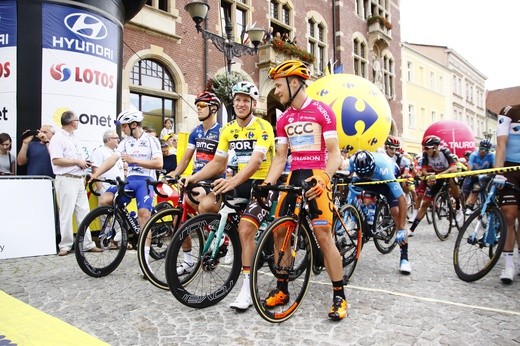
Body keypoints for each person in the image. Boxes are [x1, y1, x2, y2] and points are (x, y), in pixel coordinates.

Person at [180, 81, 275, 311]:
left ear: (253, 103)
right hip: (238, 182)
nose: (241, 104)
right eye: (238, 100)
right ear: (233, 103)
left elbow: (255, 162)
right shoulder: (228, 129)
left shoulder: (263, 127)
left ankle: (247, 289)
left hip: (261, 183)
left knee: (245, 228)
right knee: (207, 204)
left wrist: (232, 180)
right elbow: (218, 162)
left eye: (246, 100)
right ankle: (227, 240)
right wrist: (192, 177)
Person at [264, 59, 346, 321]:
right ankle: (283, 289)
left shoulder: (322, 111)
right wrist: (267, 184)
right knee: (280, 233)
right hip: (294, 174)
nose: (276, 91)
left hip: (316, 175)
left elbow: (335, 155)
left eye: (279, 85)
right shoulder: (284, 118)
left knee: (323, 236)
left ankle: (339, 297)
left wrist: (323, 179)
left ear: (295, 82)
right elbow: (280, 157)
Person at [90, 110, 163, 259]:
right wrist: (95, 175)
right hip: (130, 180)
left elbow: (159, 163)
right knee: (105, 200)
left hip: (146, 180)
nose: (122, 130)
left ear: (133, 124)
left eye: (124, 126)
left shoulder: (151, 140)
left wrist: (134, 160)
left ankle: (145, 257)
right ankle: (125, 227)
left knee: (144, 215)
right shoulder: (125, 142)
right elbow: (112, 160)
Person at [167, 91, 223, 275]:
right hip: (195, 179)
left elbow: (221, 162)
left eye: (202, 106)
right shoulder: (196, 132)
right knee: (178, 221)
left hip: (213, 181)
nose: (198, 109)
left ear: (213, 108)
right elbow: (185, 159)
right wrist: (174, 173)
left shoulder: (221, 132)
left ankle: (220, 235)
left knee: (203, 204)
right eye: (197, 106)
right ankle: (189, 261)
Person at [347, 150, 410, 273]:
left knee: (396, 212)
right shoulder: (352, 161)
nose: (365, 176)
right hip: (368, 181)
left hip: (386, 180)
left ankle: (404, 258)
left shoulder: (384, 169)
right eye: (362, 174)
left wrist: (401, 227)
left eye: (367, 174)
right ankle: (357, 218)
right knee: (354, 190)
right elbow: (346, 177)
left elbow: (402, 199)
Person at [49, 111, 102, 256]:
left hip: (78, 179)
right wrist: (77, 162)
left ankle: (87, 243)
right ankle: (65, 245)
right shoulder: (57, 138)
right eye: (77, 120)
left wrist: (84, 164)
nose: (78, 122)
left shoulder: (74, 138)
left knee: (83, 212)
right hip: (65, 178)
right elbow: (56, 160)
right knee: (66, 213)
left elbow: (77, 159)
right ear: (72, 122)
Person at [408, 135, 462, 235]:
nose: (425, 150)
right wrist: (430, 176)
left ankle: (458, 207)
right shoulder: (425, 155)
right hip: (437, 176)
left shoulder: (445, 152)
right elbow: (423, 170)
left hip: (449, 173)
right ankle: (411, 229)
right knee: (425, 203)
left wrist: (441, 174)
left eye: (427, 148)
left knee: (452, 181)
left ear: (435, 147)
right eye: (424, 148)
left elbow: (453, 168)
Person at [494, 104, 520, 283]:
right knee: (509, 216)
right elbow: (501, 143)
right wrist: (498, 172)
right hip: (510, 168)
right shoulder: (510, 111)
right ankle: (509, 265)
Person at [462, 139, 495, 214]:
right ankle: (462, 208)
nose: (483, 151)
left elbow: (495, 168)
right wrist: (472, 174)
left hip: (486, 176)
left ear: (489, 150)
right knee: (465, 193)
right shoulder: (473, 155)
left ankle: (471, 205)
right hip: (473, 176)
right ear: (479, 148)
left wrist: (490, 174)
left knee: (476, 189)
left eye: (486, 150)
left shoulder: (492, 155)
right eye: (481, 149)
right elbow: (469, 169)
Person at [90, 130, 124, 194]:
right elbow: (95, 171)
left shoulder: (117, 152)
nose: (118, 140)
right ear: (109, 140)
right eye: (116, 138)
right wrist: (101, 189)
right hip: (106, 188)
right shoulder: (99, 151)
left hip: (118, 188)